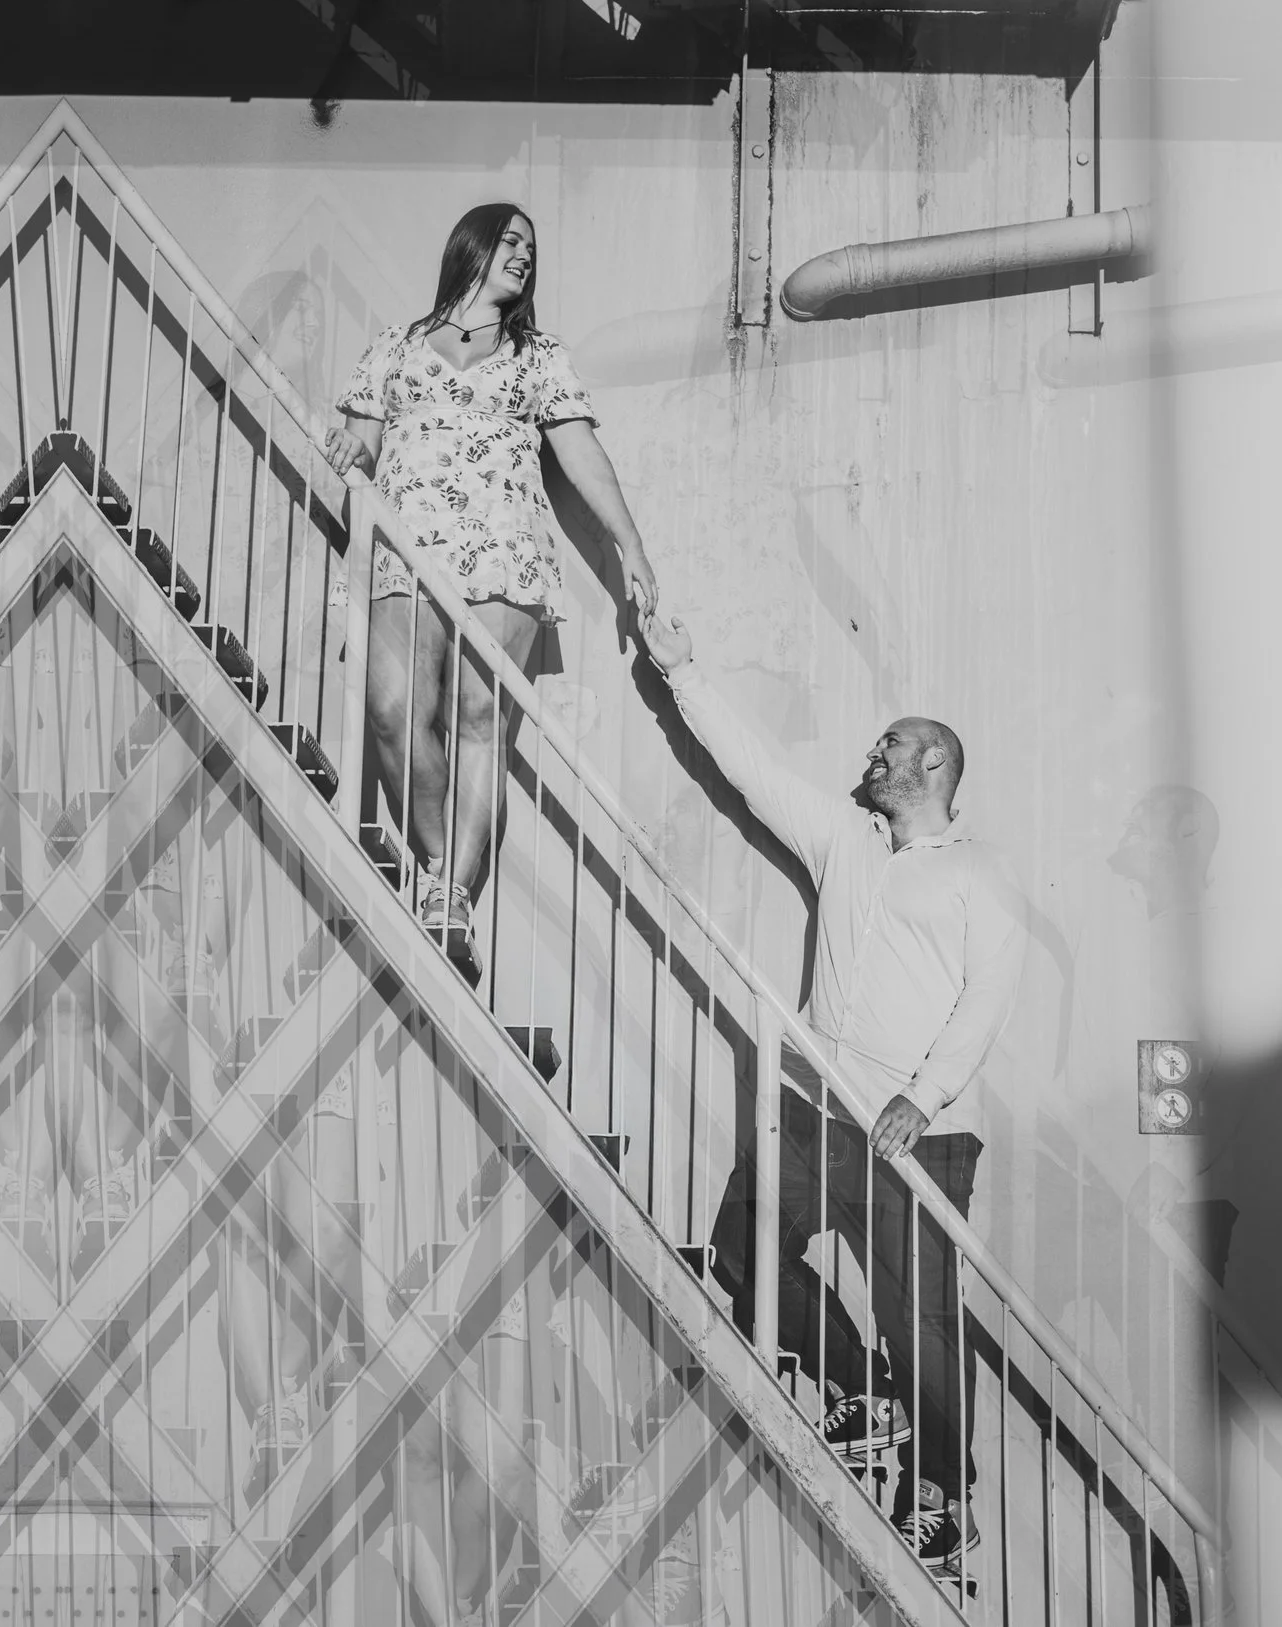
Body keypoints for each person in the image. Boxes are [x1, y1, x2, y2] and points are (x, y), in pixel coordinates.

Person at [638, 606, 1024, 1585]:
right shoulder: (845, 842)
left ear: (933, 762)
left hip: (917, 1141)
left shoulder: (979, 875)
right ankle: (857, 1389)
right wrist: (683, 671)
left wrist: (924, 1095)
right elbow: (755, 773)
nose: (872, 751)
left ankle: (942, 1499)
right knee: (740, 1246)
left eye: (890, 742)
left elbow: (988, 995)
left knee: (923, 1325)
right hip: (817, 1116)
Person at [321, 204, 658, 978]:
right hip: (403, 547)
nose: (523, 257)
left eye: (530, 251)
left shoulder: (538, 357)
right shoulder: (394, 348)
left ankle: (447, 896)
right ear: (471, 247)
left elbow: (582, 456)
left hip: (503, 549)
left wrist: (630, 545)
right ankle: (444, 863)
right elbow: (359, 449)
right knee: (392, 709)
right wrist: (345, 450)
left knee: (479, 718)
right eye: (511, 242)